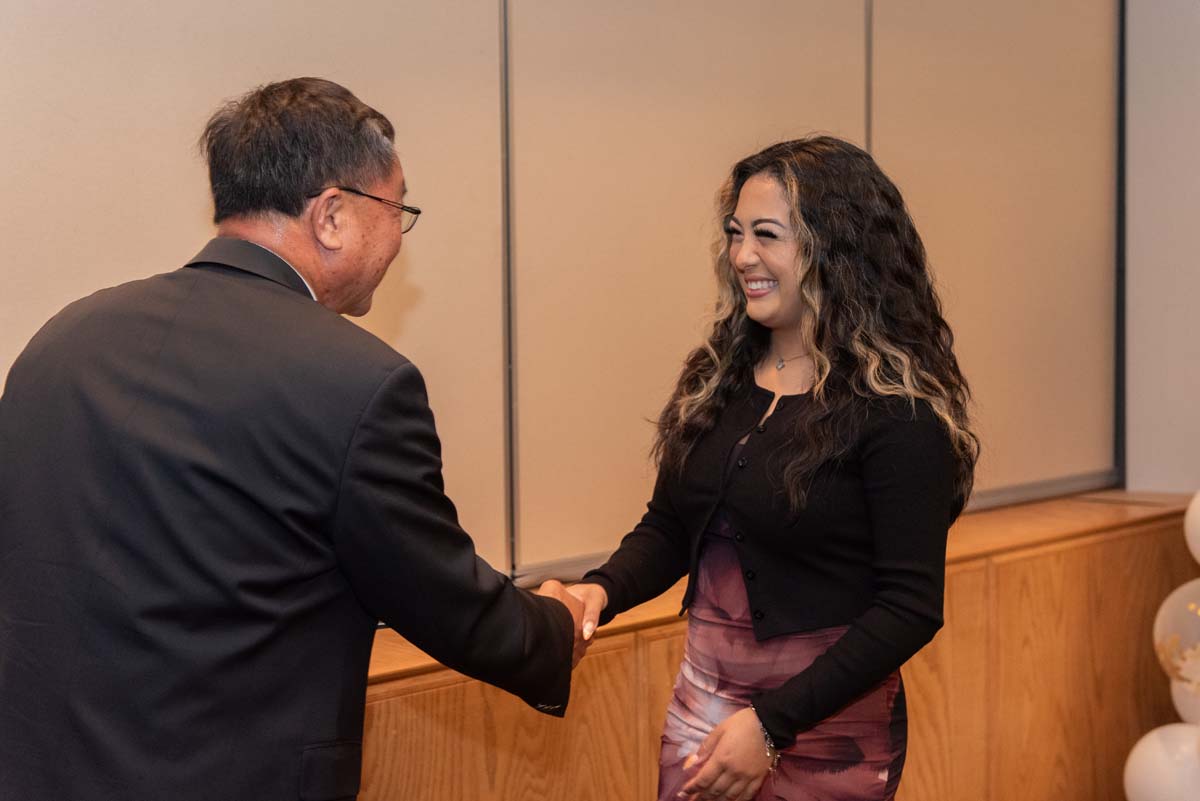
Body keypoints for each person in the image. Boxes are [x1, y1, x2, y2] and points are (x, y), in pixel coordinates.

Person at [0, 77, 586, 801]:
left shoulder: (63, 339)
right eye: (398, 209)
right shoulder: (358, 381)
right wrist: (559, 622)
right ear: (333, 215)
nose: (400, 239)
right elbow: (444, 599)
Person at [567, 137, 979, 801]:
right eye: (735, 233)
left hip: (829, 737)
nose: (742, 256)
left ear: (839, 248)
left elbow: (910, 606)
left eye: (767, 235)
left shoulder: (898, 412)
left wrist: (769, 725)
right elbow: (673, 525)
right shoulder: (716, 378)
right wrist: (600, 592)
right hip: (702, 719)